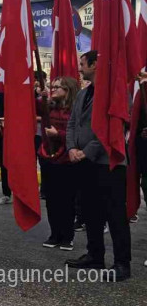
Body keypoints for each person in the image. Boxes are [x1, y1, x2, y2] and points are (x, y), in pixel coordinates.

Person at [65, 51, 131, 281]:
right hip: (83, 162)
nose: (80, 68)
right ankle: (95, 255)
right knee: (90, 212)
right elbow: (72, 123)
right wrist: (72, 148)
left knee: (114, 215)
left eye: (83, 64)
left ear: (94, 65)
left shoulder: (115, 93)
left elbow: (112, 128)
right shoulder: (83, 94)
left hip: (108, 163)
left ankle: (122, 263)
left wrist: (86, 151)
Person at [38, 75, 79, 251]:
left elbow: (77, 135)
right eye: (52, 86)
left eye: (58, 87)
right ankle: (54, 234)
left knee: (66, 200)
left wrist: (59, 135)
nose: (53, 89)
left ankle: (67, 236)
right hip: (49, 158)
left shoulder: (75, 110)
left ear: (68, 91)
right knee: (51, 199)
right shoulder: (48, 107)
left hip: (67, 160)